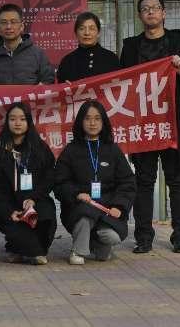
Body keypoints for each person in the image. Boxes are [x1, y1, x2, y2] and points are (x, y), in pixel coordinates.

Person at [121, 0, 180, 254]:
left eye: (155, 8)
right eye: (145, 8)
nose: (151, 12)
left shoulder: (179, 42)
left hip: (173, 123)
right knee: (144, 181)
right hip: (144, 123)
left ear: (164, 13)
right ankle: (144, 237)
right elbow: (121, 82)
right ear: (140, 16)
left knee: (177, 180)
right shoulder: (131, 46)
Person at [55, 101, 136, 264]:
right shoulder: (71, 150)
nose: (92, 123)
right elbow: (60, 181)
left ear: (103, 122)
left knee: (112, 238)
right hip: (81, 205)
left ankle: (97, 244)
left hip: (107, 208)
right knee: (85, 216)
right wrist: (76, 194)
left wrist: (119, 206)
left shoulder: (113, 150)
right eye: (87, 119)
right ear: (80, 122)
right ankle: (78, 251)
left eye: (97, 118)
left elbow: (127, 182)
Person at [0, 102, 56, 264]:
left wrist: (33, 198)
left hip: (34, 200)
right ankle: (30, 250)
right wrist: (8, 210)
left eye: (22, 119)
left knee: (47, 217)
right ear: (7, 122)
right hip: (9, 205)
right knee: (24, 237)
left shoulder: (38, 146)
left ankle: (17, 248)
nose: (17, 123)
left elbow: (49, 176)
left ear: (28, 122)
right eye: (13, 119)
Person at [0, 3, 55, 85]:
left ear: (21, 26)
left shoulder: (38, 54)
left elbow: (48, 80)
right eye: (4, 22)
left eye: (13, 22)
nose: (8, 27)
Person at [56, 12, 122, 82]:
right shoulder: (67, 62)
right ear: (76, 33)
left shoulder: (111, 59)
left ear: (98, 33)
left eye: (92, 29)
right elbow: (61, 85)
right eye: (82, 29)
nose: (87, 33)